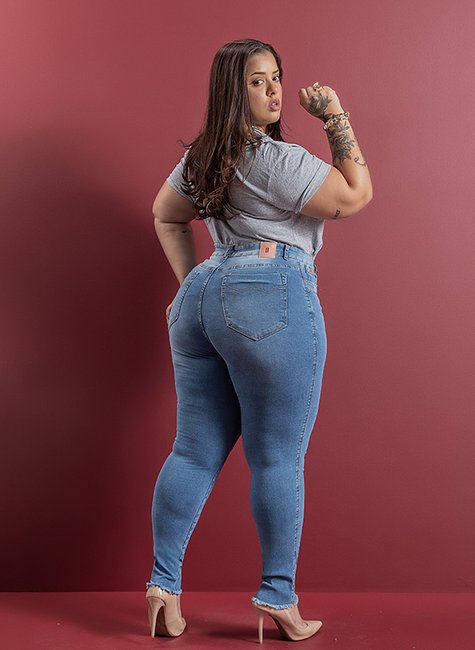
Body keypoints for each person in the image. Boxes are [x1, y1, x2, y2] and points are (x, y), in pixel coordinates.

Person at [145, 38, 372, 643]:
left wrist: (190, 285)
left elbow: (167, 214)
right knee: (276, 456)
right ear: (233, 91)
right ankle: (278, 597)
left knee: (192, 452)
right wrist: (335, 115)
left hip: (202, 295)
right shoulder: (274, 158)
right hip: (271, 291)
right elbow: (354, 195)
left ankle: (163, 586)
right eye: (257, 81)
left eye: (276, 78)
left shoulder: (202, 158)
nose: (273, 91)